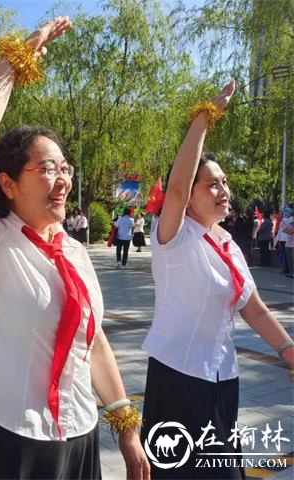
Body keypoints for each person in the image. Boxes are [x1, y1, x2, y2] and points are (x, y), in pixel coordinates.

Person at [0, 17, 149, 479]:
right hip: (5, 439)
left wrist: (125, 426)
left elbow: (92, 337)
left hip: (78, 435)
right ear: (8, 182)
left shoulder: (74, 251)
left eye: (66, 168)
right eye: (47, 168)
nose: (62, 180)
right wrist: (15, 63)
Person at [141, 81, 294, 479]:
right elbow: (174, 186)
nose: (224, 189)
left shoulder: (226, 242)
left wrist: (287, 349)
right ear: (188, 197)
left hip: (222, 377)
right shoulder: (172, 237)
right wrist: (205, 117)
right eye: (211, 183)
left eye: (225, 181)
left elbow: (255, 308)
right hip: (178, 380)